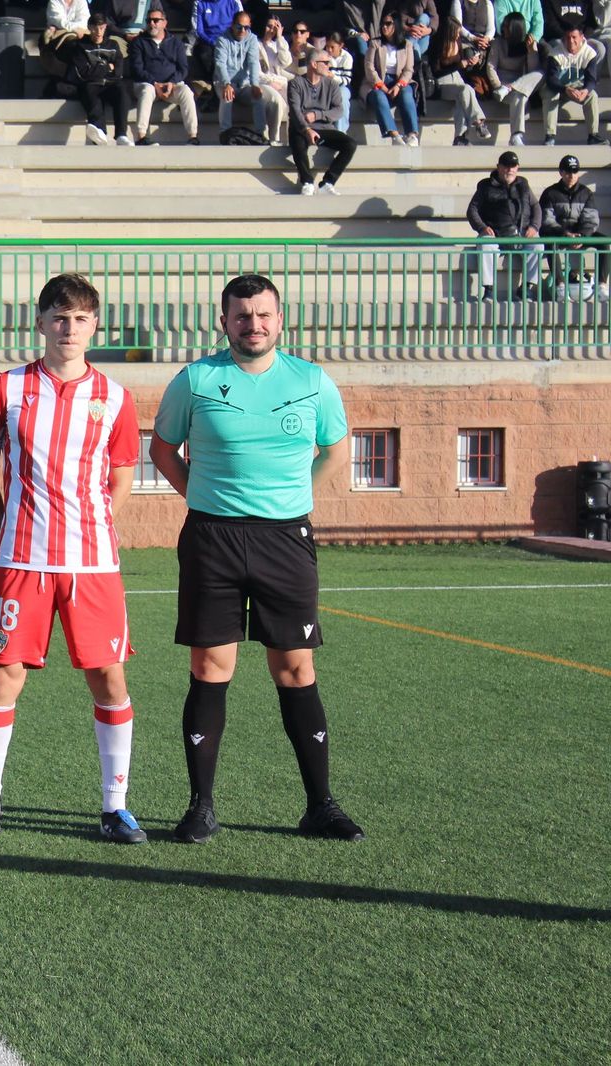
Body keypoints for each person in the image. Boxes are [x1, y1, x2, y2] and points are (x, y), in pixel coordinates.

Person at [148, 274, 363, 846]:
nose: (253, 325)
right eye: (241, 316)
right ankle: (201, 806)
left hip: (284, 541)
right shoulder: (195, 379)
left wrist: (298, 497)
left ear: (280, 318)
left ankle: (320, 805)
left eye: (263, 314)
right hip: (212, 539)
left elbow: (335, 447)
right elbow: (163, 449)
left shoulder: (311, 381)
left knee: (296, 670)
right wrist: (203, 495)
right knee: (209, 670)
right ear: (224, 322)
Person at [0, 273, 147, 848]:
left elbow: (121, 478)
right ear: (40, 322)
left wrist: (96, 529)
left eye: (81, 318)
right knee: (2, 675)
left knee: (108, 677)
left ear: (94, 326)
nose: (69, 328)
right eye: (59, 317)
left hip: (93, 566)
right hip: (22, 561)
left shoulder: (116, 398)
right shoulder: (6, 388)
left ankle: (116, 808)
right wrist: (6, 530)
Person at [467, 149, 544, 299]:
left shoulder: (523, 185)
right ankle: (489, 290)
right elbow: (472, 210)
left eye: (513, 166)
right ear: (498, 167)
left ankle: (526, 288)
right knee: (485, 244)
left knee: (538, 244)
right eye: (506, 166)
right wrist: (482, 227)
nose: (509, 170)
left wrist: (534, 227)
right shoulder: (485, 186)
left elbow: (536, 207)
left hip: (522, 234)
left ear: (517, 168)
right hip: (497, 235)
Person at [540, 153, 610, 296]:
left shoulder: (586, 192)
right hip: (559, 234)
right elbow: (547, 220)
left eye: (575, 171)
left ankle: (602, 285)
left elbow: (591, 219)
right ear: (561, 172)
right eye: (567, 171)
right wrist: (565, 234)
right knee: (550, 244)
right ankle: (560, 286)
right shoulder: (550, 193)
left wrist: (582, 236)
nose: (571, 175)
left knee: (604, 243)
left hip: (580, 234)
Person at [289, 48, 357, 193]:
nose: (329, 66)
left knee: (350, 144)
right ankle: (307, 182)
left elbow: (338, 110)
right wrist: (307, 129)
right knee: (298, 139)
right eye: (325, 63)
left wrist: (317, 115)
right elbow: (295, 111)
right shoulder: (296, 83)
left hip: (325, 128)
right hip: (302, 128)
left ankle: (328, 182)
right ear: (314, 64)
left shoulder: (331, 84)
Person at [128, 8, 201, 143]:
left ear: (164, 23)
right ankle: (141, 136)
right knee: (147, 91)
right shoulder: (138, 42)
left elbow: (183, 69)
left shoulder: (175, 43)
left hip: (171, 85)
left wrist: (171, 83)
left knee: (186, 91)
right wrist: (154, 83)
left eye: (156, 20)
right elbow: (137, 69)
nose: (152, 24)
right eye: (149, 20)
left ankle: (193, 136)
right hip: (147, 84)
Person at [433, 10, 498, 143]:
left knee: (461, 98)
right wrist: (458, 65)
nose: (459, 34)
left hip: (457, 78)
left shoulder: (458, 43)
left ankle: (460, 137)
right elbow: (436, 71)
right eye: (456, 31)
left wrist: (469, 63)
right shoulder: (438, 45)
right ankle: (479, 123)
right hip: (443, 81)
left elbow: (461, 66)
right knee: (465, 90)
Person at [363, 11, 422, 144]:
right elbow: (369, 66)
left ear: (396, 25)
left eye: (388, 24)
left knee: (407, 93)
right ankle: (394, 135)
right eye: (382, 24)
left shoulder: (406, 45)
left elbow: (408, 69)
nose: (384, 27)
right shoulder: (375, 44)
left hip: (398, 81)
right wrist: (381, 85)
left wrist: (398, 85)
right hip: (378, 81)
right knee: (378, 96)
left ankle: (411, 134)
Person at [70, 14, 132, 142]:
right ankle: (100, 132)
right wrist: (108, 67)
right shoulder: (81, 46)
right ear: (89, 28)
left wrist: (97, 68)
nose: (98, 32)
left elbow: (119, 71)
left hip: (111, 84)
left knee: (122, 91)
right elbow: (84, 73)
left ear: (105, 28)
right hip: (91, 84)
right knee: (91, 94)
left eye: (102, 28)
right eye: (95, 28)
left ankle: (121, 135)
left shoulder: (113, 45)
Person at [544, 21, 605, 143]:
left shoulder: (589, 53)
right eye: (568, 37)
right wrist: (565, 89)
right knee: (549, 94)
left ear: (582, 38)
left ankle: (593, 135)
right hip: (559, 87)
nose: (571, 41)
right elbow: (551, 80)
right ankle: (550, 136)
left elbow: (591, 78)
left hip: (576, 86)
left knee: (592, 95)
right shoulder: (556, 54)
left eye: (574, 37)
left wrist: (586, 90)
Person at [216, 11, 273, 135]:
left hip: (244, 84)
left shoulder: (252, 39)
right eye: (239, 26)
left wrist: (255, 84)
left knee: (258, 97)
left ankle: (261, 134)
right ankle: (225, 133)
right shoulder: (222, 40)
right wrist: (226, 83)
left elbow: (253, 63)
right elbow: (220, 64)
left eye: (246, 27)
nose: (242, 30)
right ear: (232, 25)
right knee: (227, 96)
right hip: (225, 82)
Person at [493, 10, 545, 143]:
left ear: (515, 28)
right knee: (520, 95)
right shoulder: (498, 43)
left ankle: (516, 136)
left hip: (520, 84)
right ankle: (516, 135)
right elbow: (490, 68)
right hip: (502, 86)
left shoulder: (526, 42)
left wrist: (532, 52)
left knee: (541, 74)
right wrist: (499, 86)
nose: (503, 29)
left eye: (506, 26)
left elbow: (532, 71)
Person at [325, 31, 357, 130]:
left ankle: (341, 131)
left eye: (332, 47)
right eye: (327, 47)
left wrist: (332, 76)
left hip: (342, 87)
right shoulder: (323, 55)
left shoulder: (347, 58)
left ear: (341, 46)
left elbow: (346, 80)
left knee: (342, 97)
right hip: (327, 86)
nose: (329, 50)